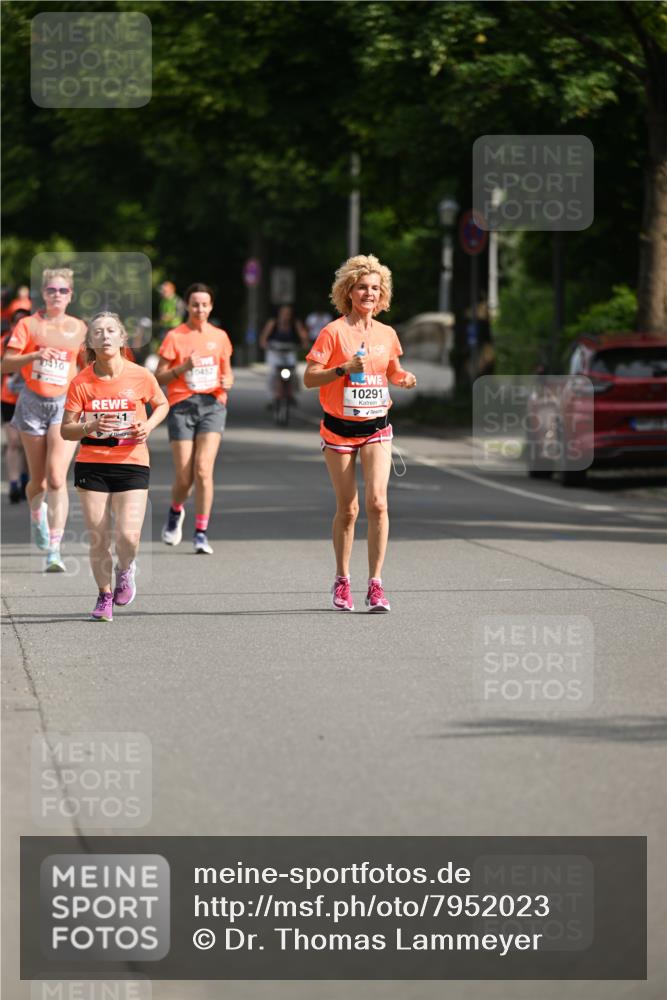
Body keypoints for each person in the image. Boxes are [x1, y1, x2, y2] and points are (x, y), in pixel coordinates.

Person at [303, 254, 417, 613]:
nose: (369, 293)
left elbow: (392, 371)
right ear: (349, 291)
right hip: (338, 430)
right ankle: (342, 579)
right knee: (349, 509)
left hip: (376, 428)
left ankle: (376, 585)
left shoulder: (387, 334)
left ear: (382, 294)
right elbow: (309, 378)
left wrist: (404, 378)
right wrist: (341, 370)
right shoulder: (333, 332)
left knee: (378, 503)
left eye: (375, 288)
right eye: (362, 287)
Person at [60, 312, 168, 621]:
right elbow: (66, 430)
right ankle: (104, 596)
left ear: (122, 338)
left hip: (131, 460)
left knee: (128, 537)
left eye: (111, 330)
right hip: (92, 462)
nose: (105, 336)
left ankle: (126, 569)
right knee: (99, 536)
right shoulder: (81, 382)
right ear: (90, 343)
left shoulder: (140, 376)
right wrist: (88, 425)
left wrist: (148, 424)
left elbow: (161, 404)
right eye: (98, 332)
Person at [1, 268, 86, 571]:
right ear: (43, 294)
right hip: (33, 403)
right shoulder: (27, 325)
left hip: (64, 405)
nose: (57, 295)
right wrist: (34, 356)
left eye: (63, 291)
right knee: (37, 481)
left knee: (56, 477)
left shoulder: (78, 328)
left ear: (71, 295)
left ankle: (55, 548)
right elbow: (6, 363)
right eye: (52, 290)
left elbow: (86, 368)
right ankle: (37, 515)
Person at [156, 283, 234, 555]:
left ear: (211, 306)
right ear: (187, 306)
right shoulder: (175, 336)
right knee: (184, 476)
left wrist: (228, 381)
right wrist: (183, 368)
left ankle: (201, 533)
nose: (200, 309)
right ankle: (176, 511)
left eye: (205, 304)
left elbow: (228, 374)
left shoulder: (220, 336)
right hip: (182, 406)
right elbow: (159, 376)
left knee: (203, 469)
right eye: (195, 304)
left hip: (212, 404)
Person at [1, 309, 30, 502]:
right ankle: (13, 484)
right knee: (13, 442)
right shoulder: (4, 342)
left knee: (27, 443)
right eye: (16, 321)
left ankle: (26, 479)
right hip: (9, 398)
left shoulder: (37, 343)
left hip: (32, 399)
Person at [259, 304, 309, 402]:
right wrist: (265, 345)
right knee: (272, 373)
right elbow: (263, 338)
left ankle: (292, 394)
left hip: (290, 350)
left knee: (294, 373)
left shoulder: (295, 323)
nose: (286, 316)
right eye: (284, 313)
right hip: (275, 350)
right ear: (279, 313)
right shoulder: (273, 323)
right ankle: (272, 396)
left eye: (288, 313)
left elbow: (303, 336)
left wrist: (304, 344)